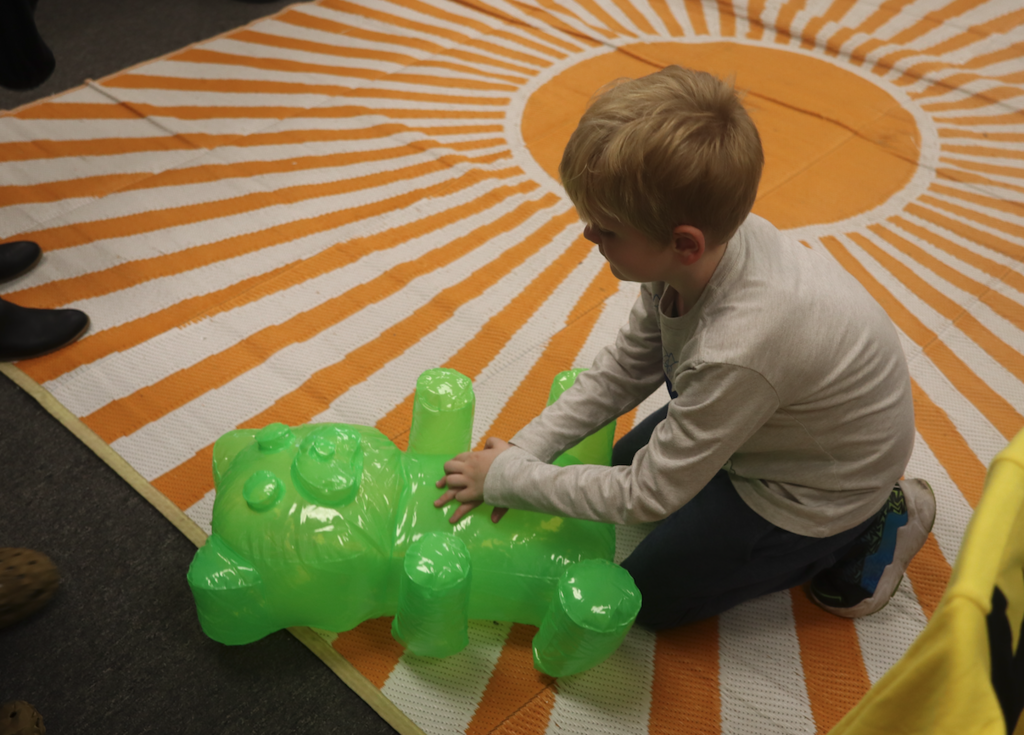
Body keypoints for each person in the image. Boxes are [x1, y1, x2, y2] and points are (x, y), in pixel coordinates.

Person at [435, 65, 935, 628]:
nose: (588, 236)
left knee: (648, 602)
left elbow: (648, 496)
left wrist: (508, 480)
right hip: (770, 424)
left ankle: (876, 523)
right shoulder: (691, 258)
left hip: (815, 488)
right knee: (618, 463)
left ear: (683, 244)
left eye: (605, 229)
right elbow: (626, 368)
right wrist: (521, 455)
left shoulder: (738, 346)